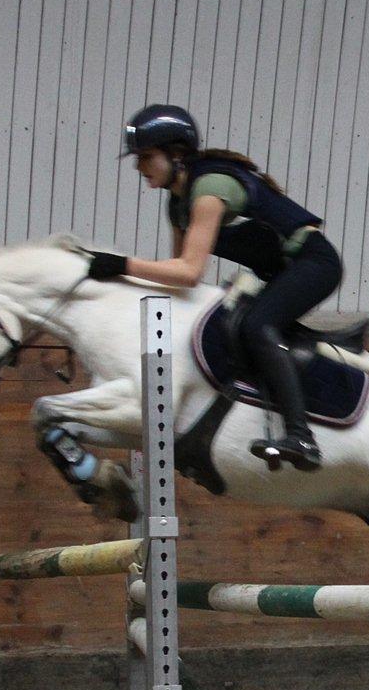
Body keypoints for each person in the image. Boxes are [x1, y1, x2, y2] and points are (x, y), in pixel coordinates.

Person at [86, 104, 345, 471]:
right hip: (281, 273)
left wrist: (122, 264)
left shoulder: (210, 188)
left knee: (258, 325)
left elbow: (190, 271)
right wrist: (116, 280)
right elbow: (174, 277)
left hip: (314, 263)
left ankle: (302, 436)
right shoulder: (177, 204)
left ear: (176, 155)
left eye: (145, 157)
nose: (138, 167)